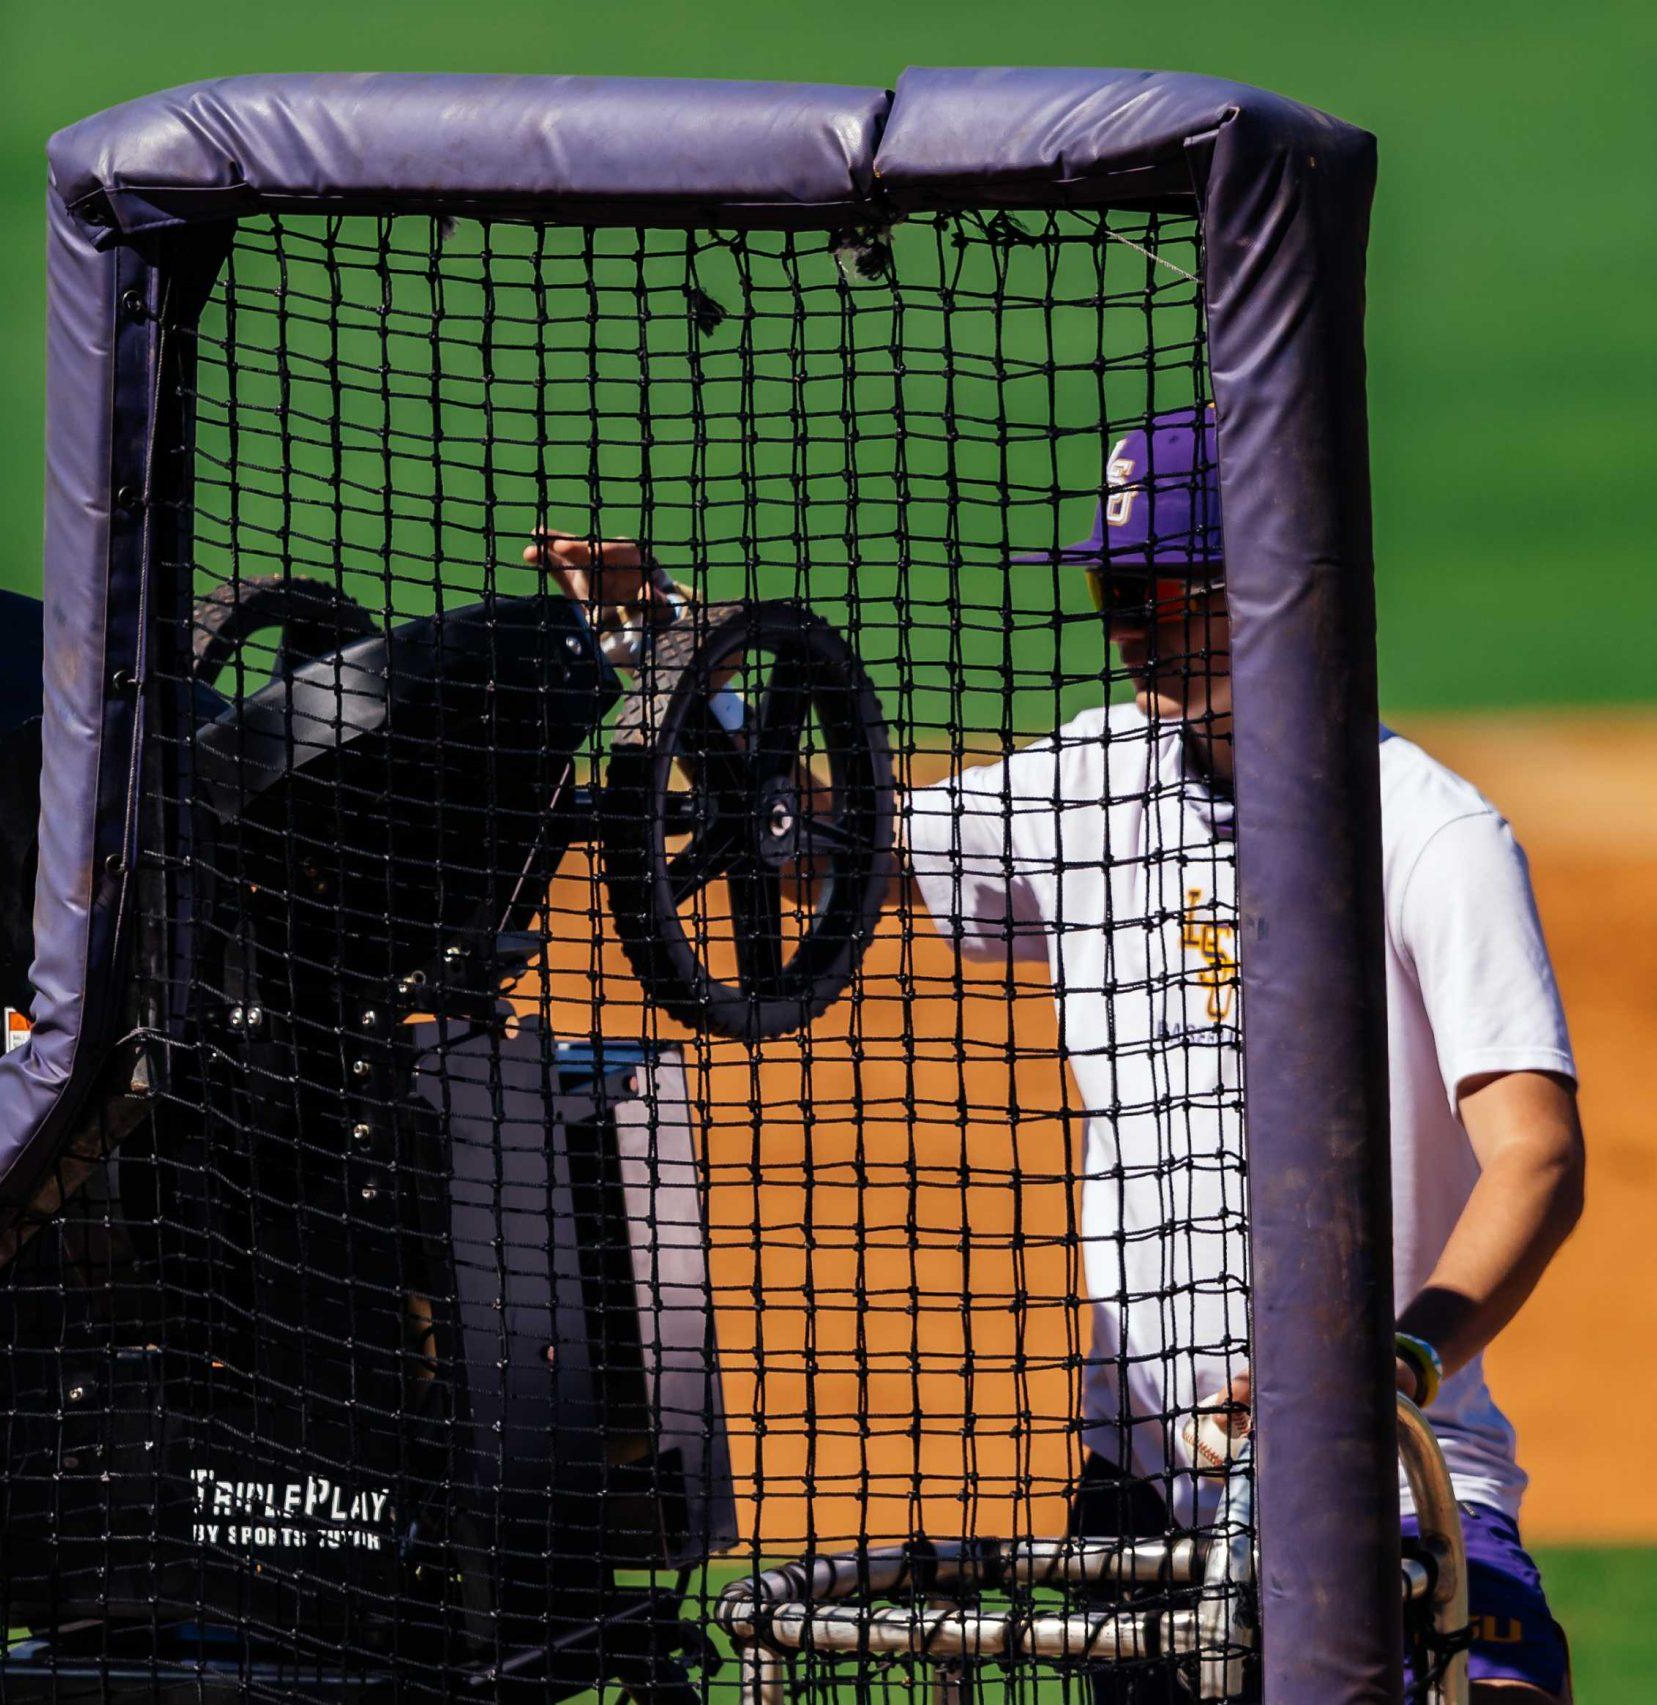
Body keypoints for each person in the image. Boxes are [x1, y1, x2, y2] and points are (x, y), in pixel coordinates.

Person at [529, 409, 1586, 1701]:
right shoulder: (1095, 781)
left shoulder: (1424, 831)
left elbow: (1535, 1151)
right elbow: (815, 843)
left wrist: (1394, 1359)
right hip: (1142, 1507)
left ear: (1269, 573)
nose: (1127, 621)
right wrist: (678, 649)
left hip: (1396, 1486)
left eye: (1157, 588)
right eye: (1110, 588)